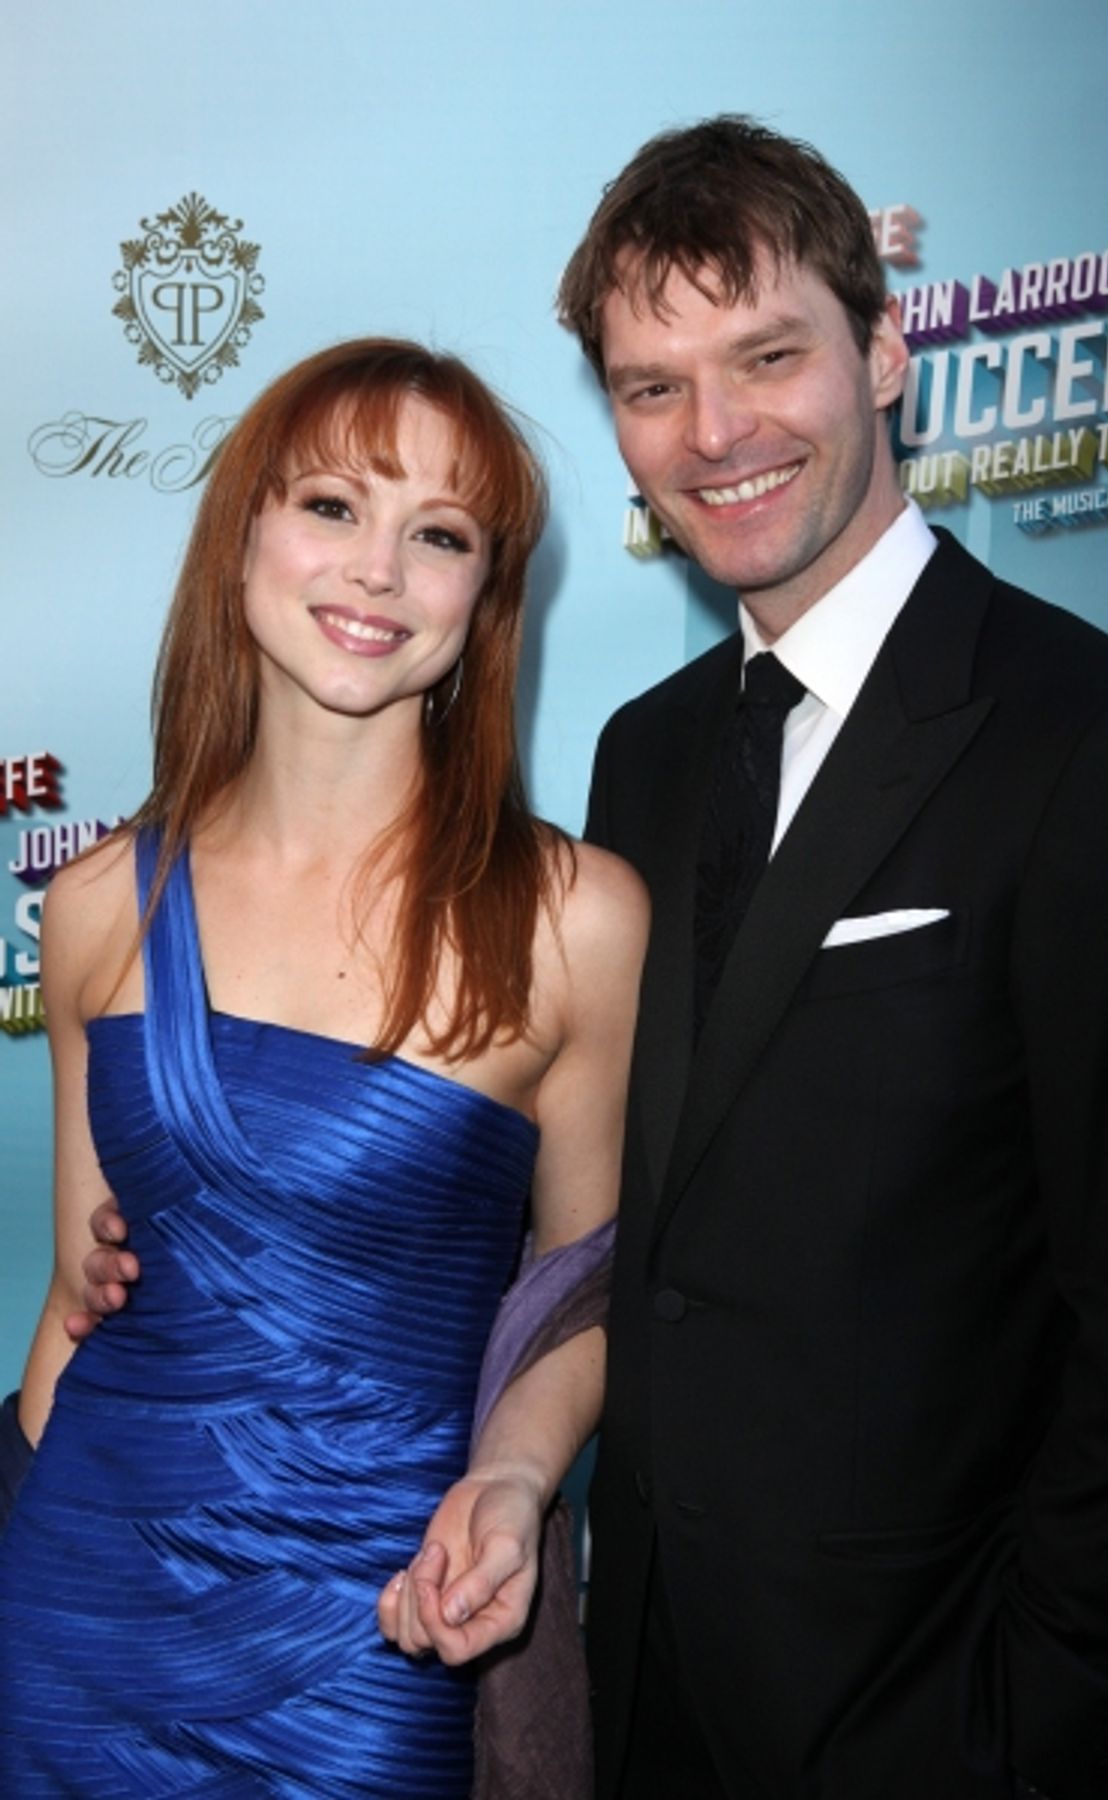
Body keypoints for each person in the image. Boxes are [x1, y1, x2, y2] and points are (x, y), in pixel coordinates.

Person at [553, 118, 1108, 1799]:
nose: (716, 433)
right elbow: (645, 1198)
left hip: (941, 1717)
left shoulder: (1105, 745)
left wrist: (1040, 1721)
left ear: (890, 349)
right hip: (649, 1696)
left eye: (770, 356)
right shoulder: (644, 753)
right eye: (651, 385)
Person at [0, 337, 647, 1798]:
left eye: (440, 535)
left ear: (486, 600)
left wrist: (515, 1478)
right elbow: (74, 1295)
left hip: (380, 1634)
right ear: (243, 538)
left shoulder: (576, 922)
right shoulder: (100, 903)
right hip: (72, 1609)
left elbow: (591, 1291)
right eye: (333, 508)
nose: (377, 572)